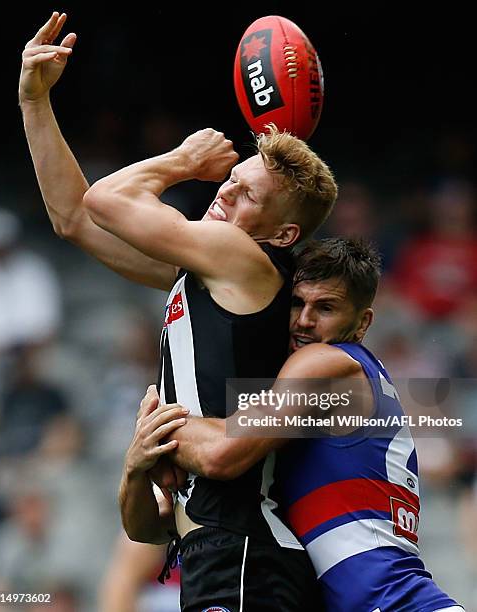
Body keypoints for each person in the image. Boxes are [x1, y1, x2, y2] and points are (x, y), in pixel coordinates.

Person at [19, 11, 337, 611]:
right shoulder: (206, 276)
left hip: (246, 551)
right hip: (217, 552)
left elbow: (105, 200)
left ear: (284, 233)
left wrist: (184, 160)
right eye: (230, 179)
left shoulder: (244, 259)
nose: (224, 191)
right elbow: (72, 218)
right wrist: (35, 101)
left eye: (247, 195)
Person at [137, 238, 464, 611]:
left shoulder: (327, 363)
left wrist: (154, 426)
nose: (304, 320)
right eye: (297, 303)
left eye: (325, 308)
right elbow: (154, 527)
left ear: (362, 323)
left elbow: (220, 455)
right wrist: (136, 471)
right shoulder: (323, 397)